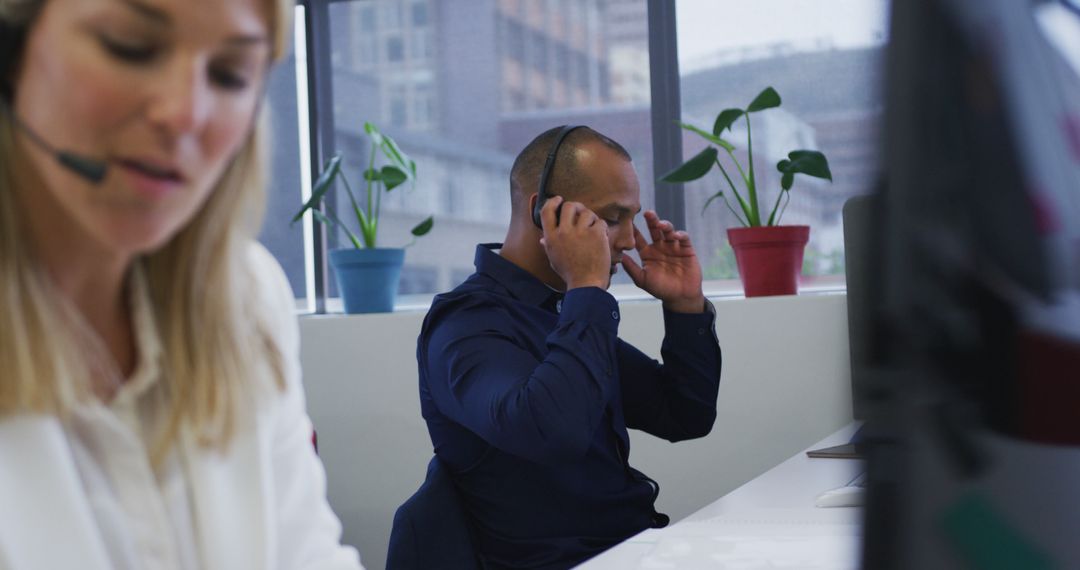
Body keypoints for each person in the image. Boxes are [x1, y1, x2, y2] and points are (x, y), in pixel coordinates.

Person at [0, 0, 362, 568]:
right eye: (130, 47)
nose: (186, 112)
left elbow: (306, 553)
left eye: (229, 75)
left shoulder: (246, 296)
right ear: (11, 53)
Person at [416, 126, 722, 569]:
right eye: (612, 218)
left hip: (629, 552)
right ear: (543, 212)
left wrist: (685, 306)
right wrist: (586, 288)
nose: (629, 240)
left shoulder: (560, 312)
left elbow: (684, 414)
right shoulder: (466, 325)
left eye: (632, 217)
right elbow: (550, 433)